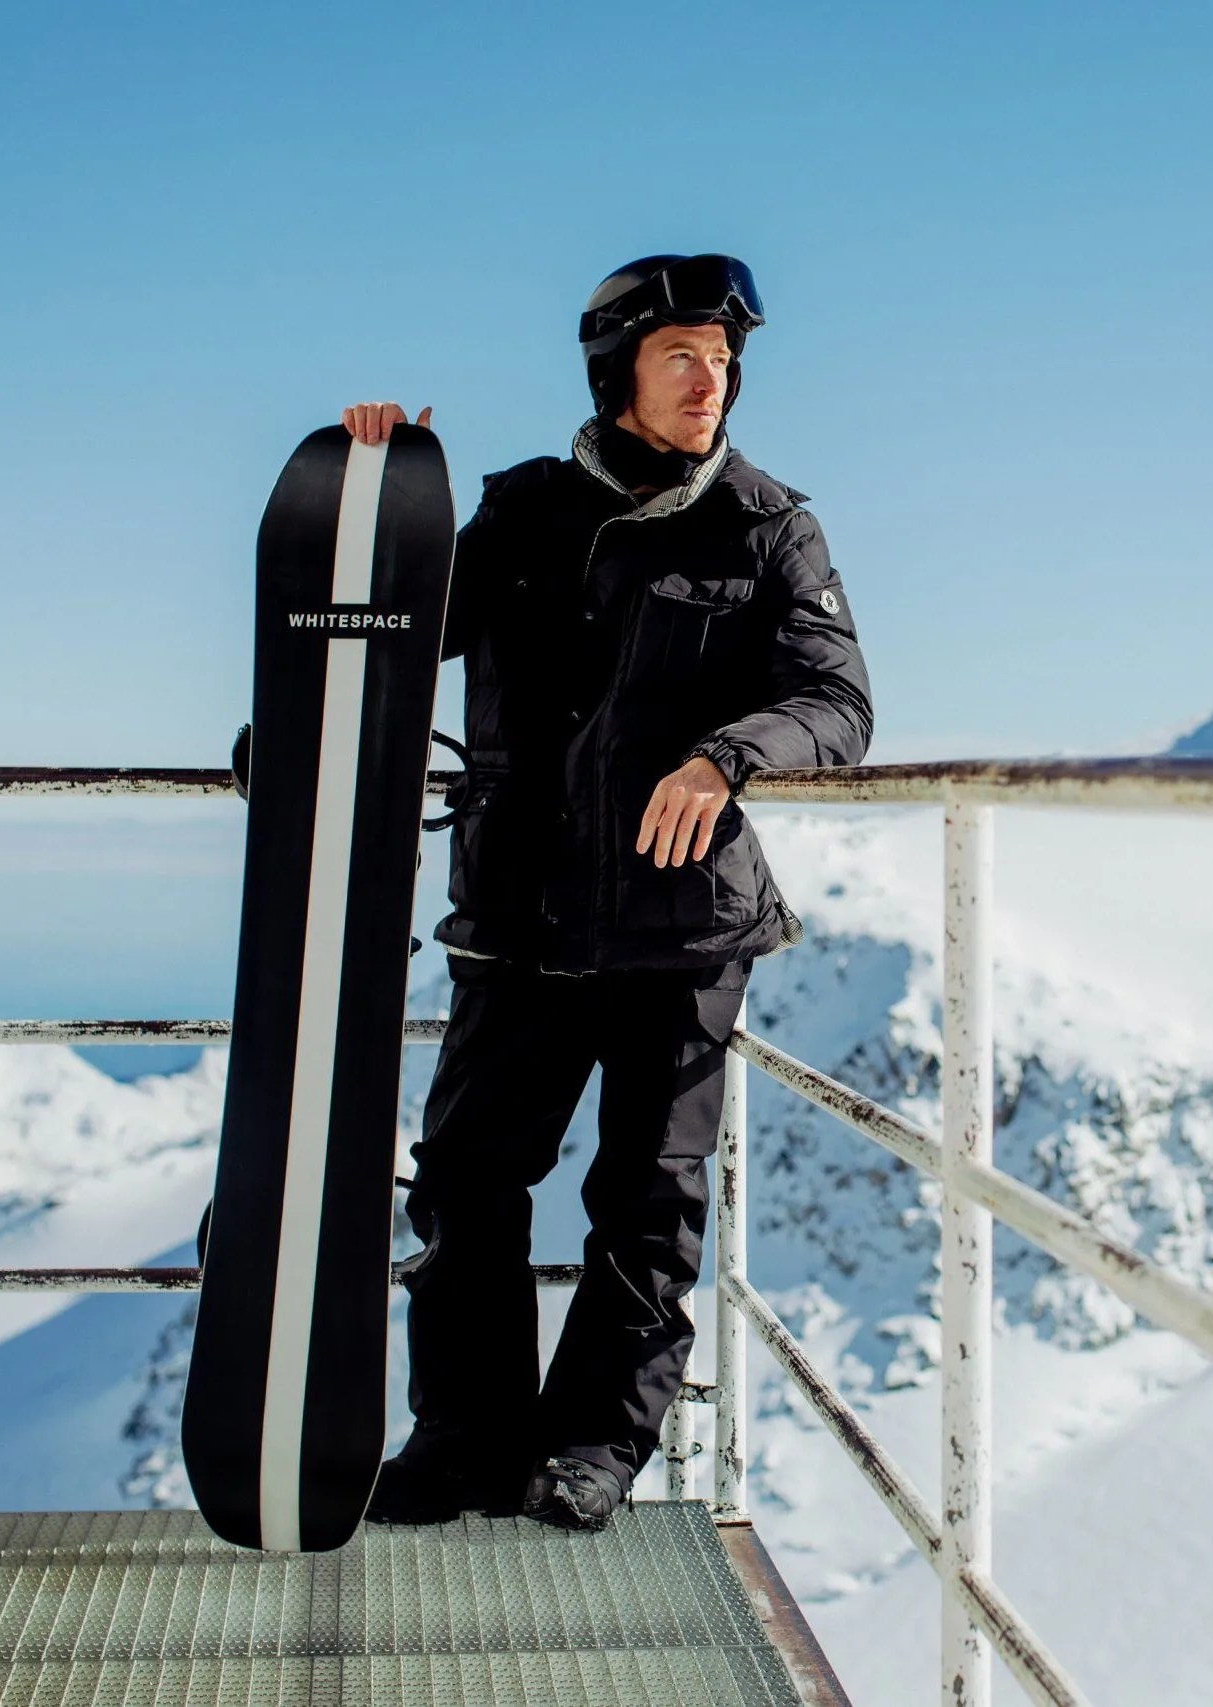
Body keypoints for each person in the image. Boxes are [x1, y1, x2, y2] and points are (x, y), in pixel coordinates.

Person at [341, 253, 873, 1531]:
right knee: (467, 1184)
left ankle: (591, 1448)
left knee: (645, 1202)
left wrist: (727, 754)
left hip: (681, 930)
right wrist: (377, 492)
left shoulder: (768, 526)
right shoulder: (521, 514)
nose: (713, 379)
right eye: (683, 354)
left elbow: (837, 704)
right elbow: (391, 639)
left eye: (727, 357)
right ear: (618, 370)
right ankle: (463, 1438)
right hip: (518, 915)